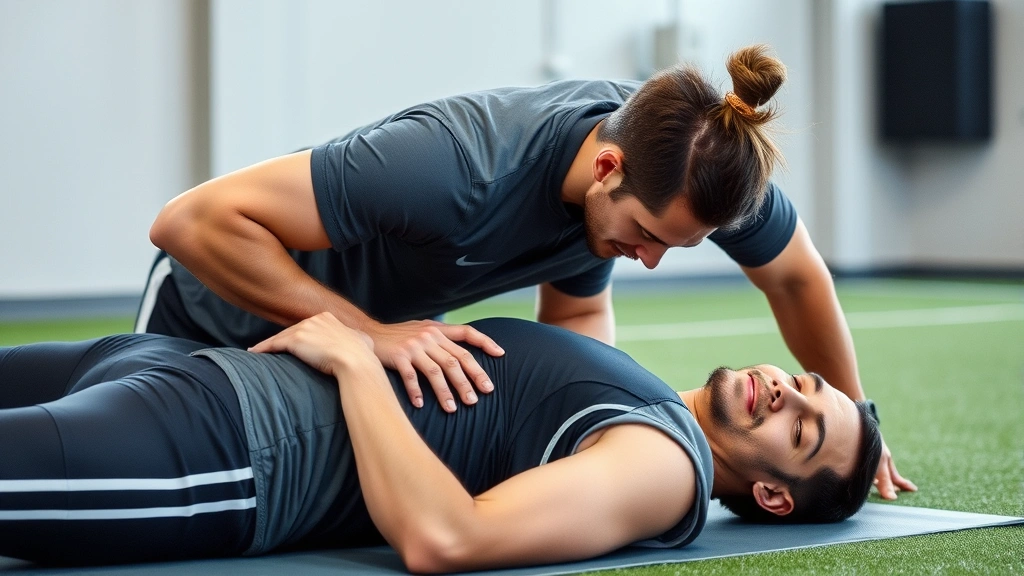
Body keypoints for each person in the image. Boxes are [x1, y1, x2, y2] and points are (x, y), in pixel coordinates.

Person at [137, 44, 912, 497]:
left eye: (675, 248)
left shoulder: (703, 162)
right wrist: (370, 335)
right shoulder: (451, 166)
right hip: (212, 311)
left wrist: (856, 425)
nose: (648, 260)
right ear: (607, 167)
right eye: (645, 235)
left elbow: (795, 278)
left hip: (349, 351)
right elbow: (191, 222)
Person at [0, 314, 881, 571]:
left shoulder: (666, 464)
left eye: (803, 429)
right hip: (180, 365)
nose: (786, 391)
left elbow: (448, 536)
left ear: (771, 496)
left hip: (225, 448)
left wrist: (352, 359)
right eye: (807, 384)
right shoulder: (646, 389)